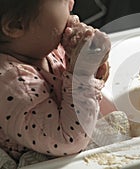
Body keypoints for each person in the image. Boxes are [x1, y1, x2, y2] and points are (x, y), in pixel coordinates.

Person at [0, 0, 112, 160]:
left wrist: (89, 65)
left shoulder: (39, 47)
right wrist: (82, 74)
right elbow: (68, 141)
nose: (72, 3)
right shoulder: (14, 85)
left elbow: (76, 95)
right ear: (16, 26)